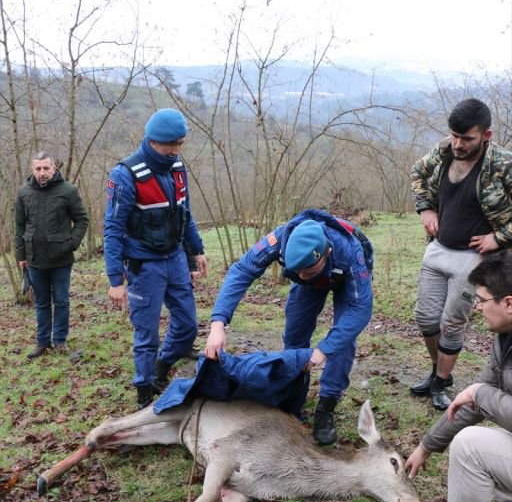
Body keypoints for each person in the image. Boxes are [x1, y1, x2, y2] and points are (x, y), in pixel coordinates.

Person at [204, 208, 373, 445]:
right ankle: (293, 391)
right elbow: (242, 270)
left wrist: (323, 350)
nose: (303, 276)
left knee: (342, 340)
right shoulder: (278, 241)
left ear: (327, 252)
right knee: (295, 328)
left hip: (343, 277)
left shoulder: (349, 251)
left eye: (309, 271)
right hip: (315, 273)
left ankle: (327, 404)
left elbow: (360, 309)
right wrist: (218, 324)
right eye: (298, 272)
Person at [405, 251, 512, 502]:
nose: (476, 308)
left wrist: (481, 394)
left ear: (508, 303)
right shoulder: (504, 337)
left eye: (481, 300)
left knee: (471, 445)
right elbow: (470, 403)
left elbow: (479, 394)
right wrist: (427, 445)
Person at [410, 98, 512, 411]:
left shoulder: (503, 164)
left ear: (486, 135)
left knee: (452, 323)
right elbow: (418, 172)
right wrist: (425, 207)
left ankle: (441, 380)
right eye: (454, 135)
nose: (458, 143)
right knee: (426, 317)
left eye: (466, 138)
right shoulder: (444, 150)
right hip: (438, 249)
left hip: (472, 259)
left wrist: (500, 237)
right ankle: (437, 371)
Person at [104, 108, 207, 410]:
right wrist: (115, 280)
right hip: (143, 265)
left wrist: (196, 250)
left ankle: (162, 367)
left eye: (179, 145)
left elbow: (184, 214)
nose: (175, 151)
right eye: (170, 145)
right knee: (147, 333)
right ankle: (144, 392)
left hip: (174, 258)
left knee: (188, 325)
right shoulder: (124, 175)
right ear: (152, 140)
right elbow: (112, 228)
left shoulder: (177, 168)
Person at [15, 152, 89, 359]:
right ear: (32, 169)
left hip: (61, 259)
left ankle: (60, 341)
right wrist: (21, 256)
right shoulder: (24, 192)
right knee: (41, 302)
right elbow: (19, 226)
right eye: (38, 169)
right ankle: (42, 342)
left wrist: (71, 244)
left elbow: (82, 220)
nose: (42, 173)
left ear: (54, 168)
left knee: (62, 301)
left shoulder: (68, 191)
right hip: (34, 258)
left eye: (46, 168)